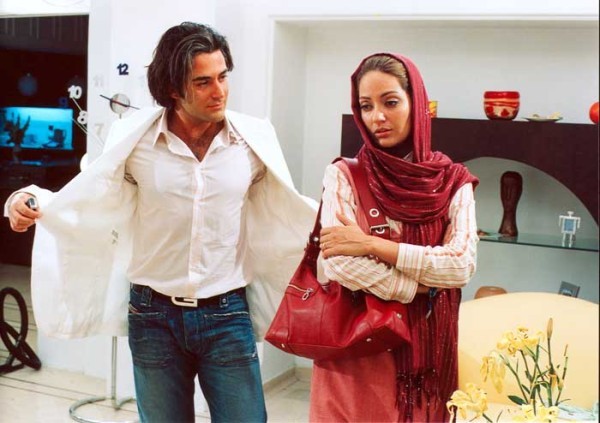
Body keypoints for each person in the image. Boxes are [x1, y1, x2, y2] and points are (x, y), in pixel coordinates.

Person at [4, 22, 316, 423]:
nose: (219, 91)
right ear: (173, 89)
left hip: (227, 313)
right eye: (203, 82)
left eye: (223, 77)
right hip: (153, 316)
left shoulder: (252, 143)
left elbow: (286, 207)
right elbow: (87, 194)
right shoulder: (135, 142)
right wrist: (27, 200)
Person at [310, 53, 479, 422]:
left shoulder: (453, 181)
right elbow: (339, 263)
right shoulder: (344, 175)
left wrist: (373, 245)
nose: (377, 118)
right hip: (355, 352)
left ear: (417, 104)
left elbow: (461, 266)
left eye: (390, 102)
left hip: (423, 359)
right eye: (366, 106)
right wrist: (418, 288)